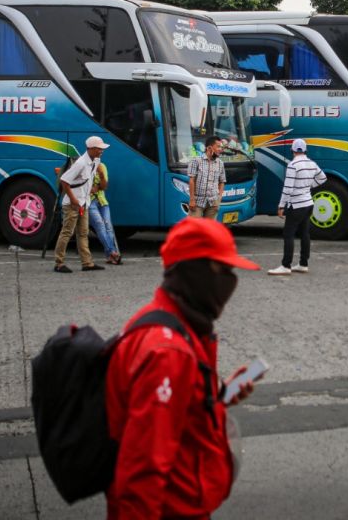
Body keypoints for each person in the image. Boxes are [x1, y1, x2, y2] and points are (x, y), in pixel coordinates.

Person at [106, 217, 261, 519]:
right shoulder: (167, 353)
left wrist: (217, 395)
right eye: (223, 270)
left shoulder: (169, 321)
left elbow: (179, 414)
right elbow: (141, 473)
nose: (230, 282)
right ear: (194, 271)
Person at [269, 139, 327, 275]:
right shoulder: (312, 163)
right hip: (308, 203)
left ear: (292, 150)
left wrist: (281, 205)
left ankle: (286, 265)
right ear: (305, 150)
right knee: (305, 233)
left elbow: (288, 188)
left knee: (288, 234)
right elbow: (323, 178)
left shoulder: (293, 165)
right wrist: (307, 186)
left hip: (296, 205)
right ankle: (303, 263)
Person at [52, 136, 106, 273]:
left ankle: (87, 263)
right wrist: (74, 200)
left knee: (83, 233)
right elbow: (64, 180)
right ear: (92, 149)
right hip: (73, 204)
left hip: (84, 203)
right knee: (67, 233)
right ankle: (59, 263)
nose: (102, 151)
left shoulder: (95, 161)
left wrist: (100, 176)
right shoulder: (81, 163)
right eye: (100, 149)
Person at [87, 157, 123, 265]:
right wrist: (93, 188)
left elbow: (104, 186)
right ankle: (112, 252)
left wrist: (101, 175)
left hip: (102, 201)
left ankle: (109, 256)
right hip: (90, 201)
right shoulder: (84, 167)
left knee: (108, 227)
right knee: (99, 224)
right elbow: (83, 186)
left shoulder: (102, 167)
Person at [187, 135, 227, 220]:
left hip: (213, 203)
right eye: (218, 147)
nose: (221, 149)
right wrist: (192, 199)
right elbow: (191, 180)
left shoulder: (220, 163)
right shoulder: (196, 161)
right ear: (209, 148)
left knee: (209, 230)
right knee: (193, 228)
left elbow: (222, 181)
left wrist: (219, 198)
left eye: (221, 147)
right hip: (197, 202)